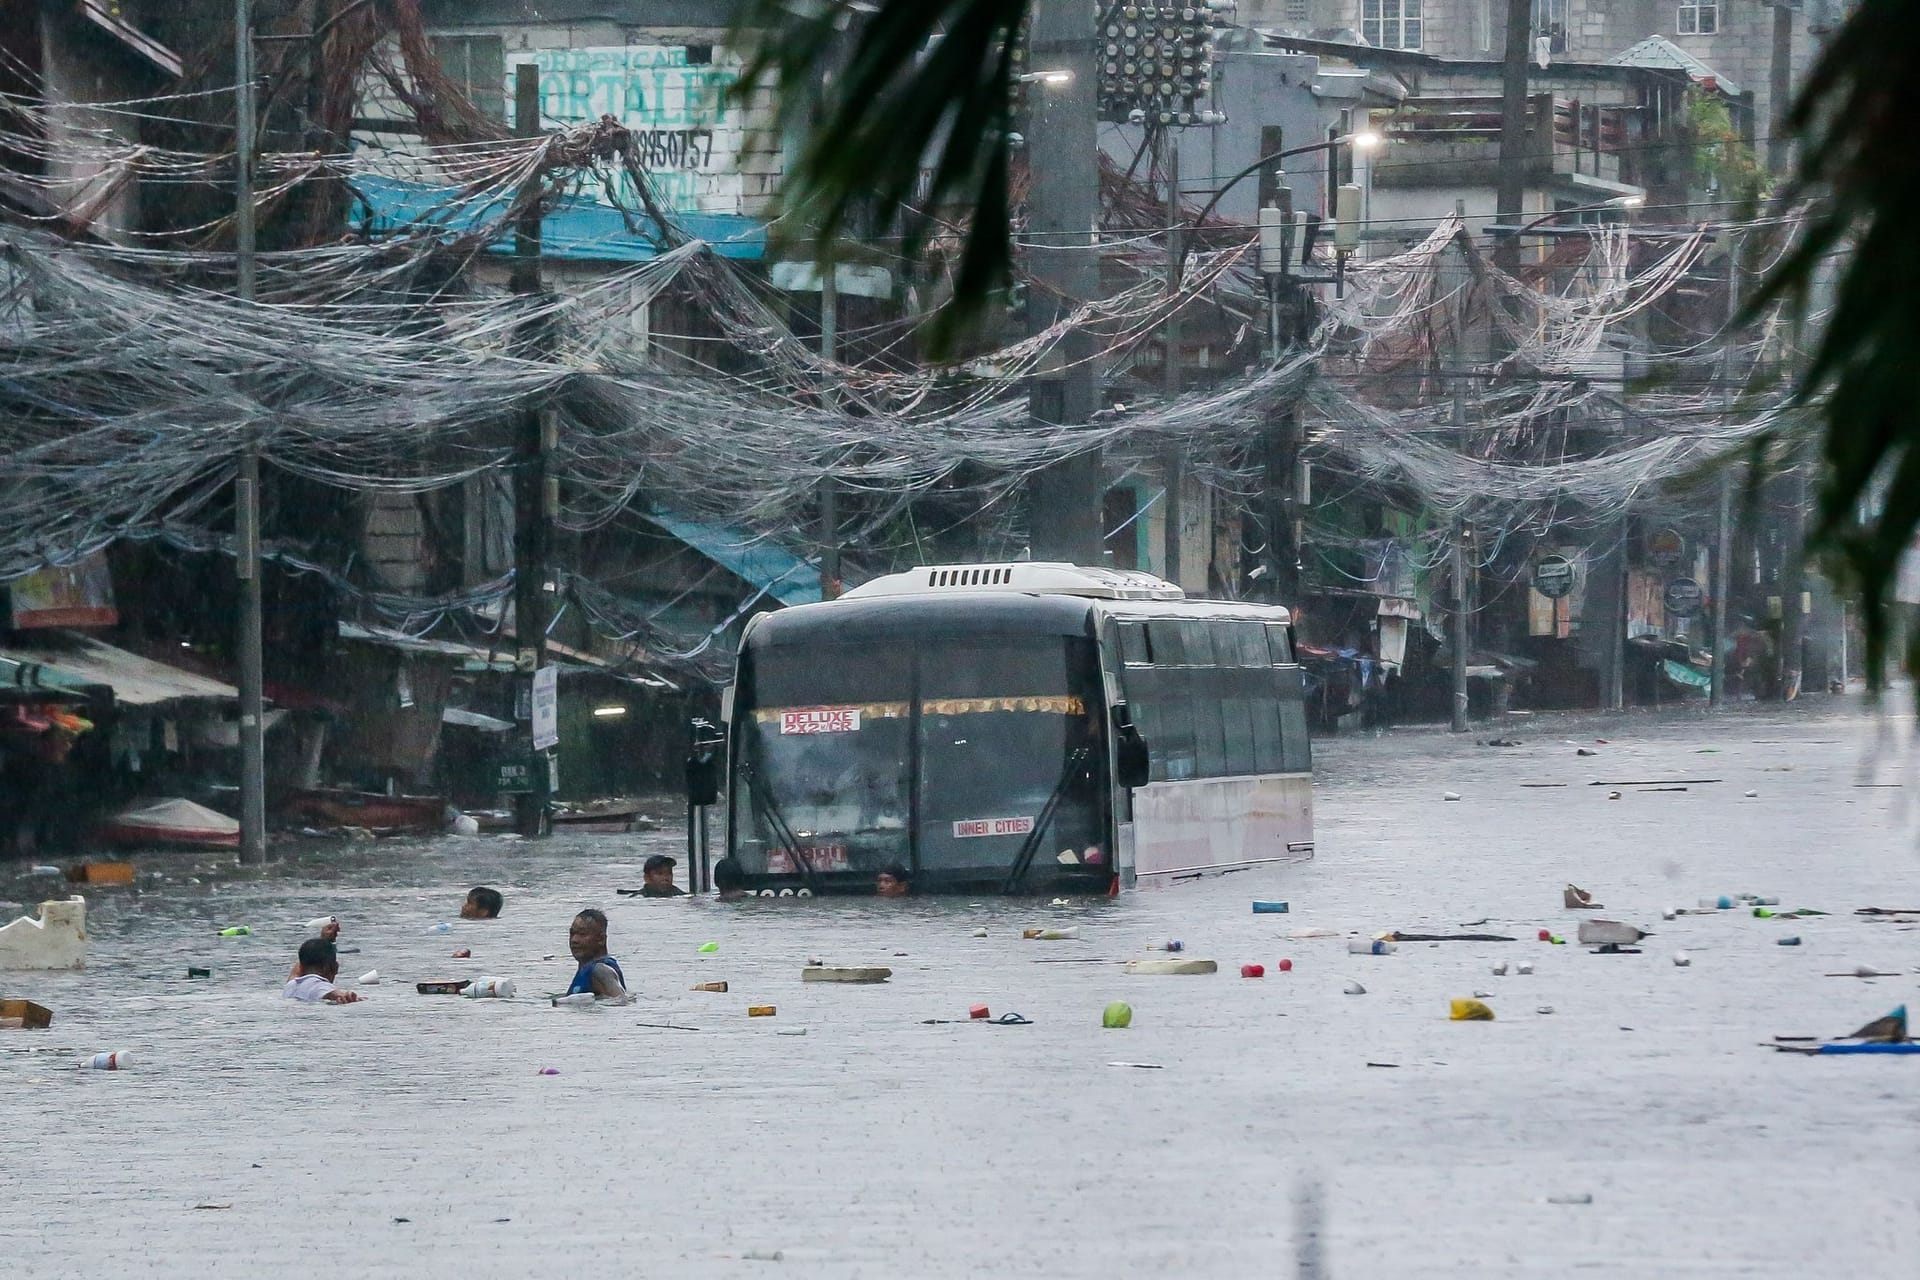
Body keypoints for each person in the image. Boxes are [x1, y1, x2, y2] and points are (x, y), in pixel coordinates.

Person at [566, 909, 626, 997]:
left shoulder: (600, 970)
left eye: (582, 934)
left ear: (601, 939)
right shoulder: (589, 970)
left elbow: (621, 1000)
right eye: (572, 933)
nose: (574, 940)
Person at [284, 939, 362, 1004]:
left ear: (301, 967)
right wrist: (347, 996)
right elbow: (331, 993)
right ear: (334, 967)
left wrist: (324, 940)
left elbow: (295, 972)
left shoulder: (291, 985)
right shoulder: (320, 986)